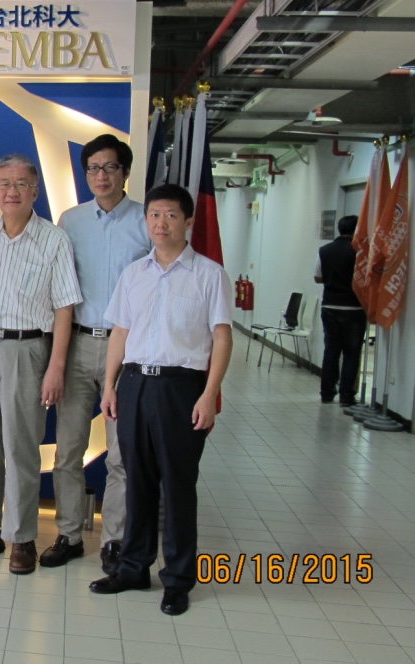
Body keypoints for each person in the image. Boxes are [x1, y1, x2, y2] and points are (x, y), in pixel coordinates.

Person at [89, 183, 233, 616]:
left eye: (170, 215)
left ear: (188, 221)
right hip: (134, 384)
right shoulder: (134, 274)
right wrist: (110, 385)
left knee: (177, 485)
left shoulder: (209, 274)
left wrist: (209, 394)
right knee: (137, 480)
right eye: (154, 215)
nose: (161, 223)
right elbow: (121, 332)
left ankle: (178, 579)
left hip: (181, 388)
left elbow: (221, 338)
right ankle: (133, 568)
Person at [0, 154, 81, 575]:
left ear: (35, 191)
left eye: (21, 184)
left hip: (27, 349)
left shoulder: (54, 240)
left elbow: (64, 308)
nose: (12, 191)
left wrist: (56, 366)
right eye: (5, 184)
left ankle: (22, 536)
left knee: (22, 447)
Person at [41, 135, 151, 574]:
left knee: (121, 455)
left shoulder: (146, 220)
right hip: (77, 343)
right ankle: (68, 534)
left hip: (127, 350)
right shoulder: (70, 221)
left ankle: (115, 540)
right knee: (68, 449)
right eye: (93, 168)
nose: (101, 176)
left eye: (109, 167)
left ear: (125, 172)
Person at [314, 215, 366, 407]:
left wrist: (332, 279)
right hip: (354, 307)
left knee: (331, 350)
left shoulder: (325, 250)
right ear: (357, 230)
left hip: (330, 306)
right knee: (352, 353)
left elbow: (317, 277)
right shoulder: (361, 252)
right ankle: (346, 396)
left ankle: (327, 393)